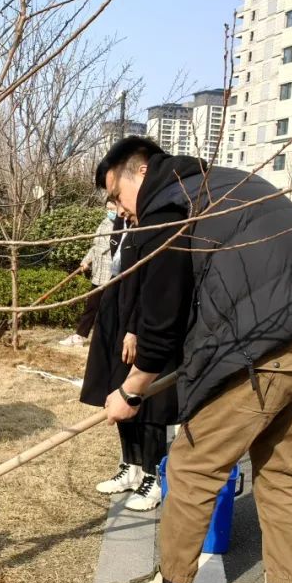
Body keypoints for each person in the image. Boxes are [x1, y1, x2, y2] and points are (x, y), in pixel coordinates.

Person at [95, 137, 292, 583]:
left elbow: (162, 320)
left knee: (193, 465)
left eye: (114, 194)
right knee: (284, 470)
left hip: (268, 346)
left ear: (138, 170)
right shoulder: (233, 184)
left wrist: (130, 391)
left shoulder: (168, 205)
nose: (118, 209)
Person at [80, 208, 176, 512]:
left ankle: (154, 475)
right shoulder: (124, 222)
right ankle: (132, 466)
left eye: (117, 197)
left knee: (144, 400)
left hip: (139, 320)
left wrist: (135, 329)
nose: (117, 207)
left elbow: (151, 285)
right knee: (118, 391)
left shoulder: (157, 224)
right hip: (116, 309)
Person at [60, 201, 118, 346]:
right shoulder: (104, 223)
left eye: (112, 209)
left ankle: (106, 339)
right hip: (99, 273)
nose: (110, 211)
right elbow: (95, 246)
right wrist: (86, 261)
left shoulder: (122, 226)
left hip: (112, 274)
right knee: (92, 305)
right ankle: (80, 336)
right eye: (108, 209)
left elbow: (106, 248)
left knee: (108, 308)